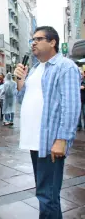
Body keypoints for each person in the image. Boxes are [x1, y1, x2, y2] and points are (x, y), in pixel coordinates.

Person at [14, 26, 81, 218]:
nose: (33, 43)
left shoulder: (65, 67)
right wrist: (21, 81)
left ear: (53, 42)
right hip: (35, 140)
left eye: (39, 39)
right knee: (44, 192)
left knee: (47, 195)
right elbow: (23, 99)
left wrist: (62, 139)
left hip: (50, 140)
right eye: (32, 39)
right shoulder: (36, 68)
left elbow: (71, 106)